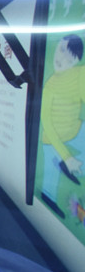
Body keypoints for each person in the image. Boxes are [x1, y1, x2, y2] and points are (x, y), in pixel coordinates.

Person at [39, 34, 85, 218]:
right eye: (61, 49)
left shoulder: (81, 74)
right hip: (52, 139)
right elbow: (47, 123)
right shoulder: (49, 86)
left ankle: (65, 166)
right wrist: (66, 156)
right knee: (50, 180)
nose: (61, 58)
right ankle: (49, 194)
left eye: (69, 56)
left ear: (76, 60)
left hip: (75, 130)